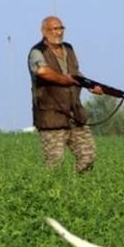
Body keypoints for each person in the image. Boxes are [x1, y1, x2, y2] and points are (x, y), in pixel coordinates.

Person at [28, 16, 103, 173]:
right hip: (51, 117)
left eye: (61, 28)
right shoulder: (37, 52)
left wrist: (90, 86)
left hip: (75, 115)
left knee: (88, 157)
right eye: (54, 29)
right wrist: (65, 79)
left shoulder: (68, 48)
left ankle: (78, 189)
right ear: (43, 31)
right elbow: (43, 72)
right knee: (55, 164)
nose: (59, 32)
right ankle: (53, 193)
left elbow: (76, 73)